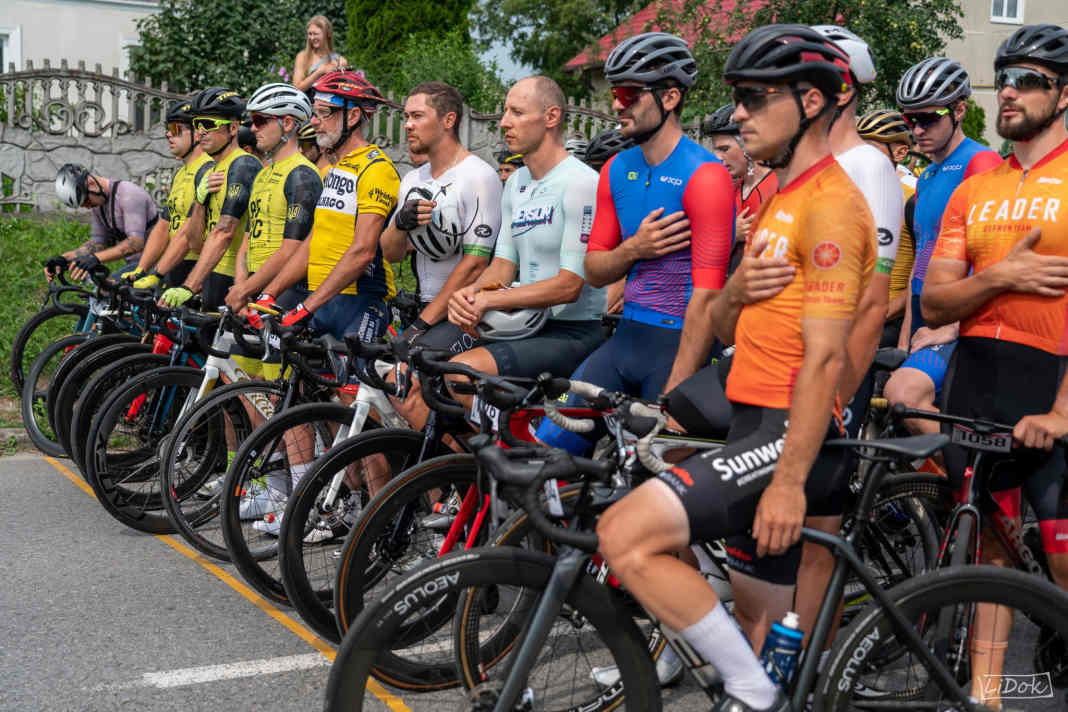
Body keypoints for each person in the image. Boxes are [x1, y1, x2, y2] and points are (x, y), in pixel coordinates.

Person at [598, 26, 875, 712]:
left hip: (791, 434)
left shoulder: (833, 204)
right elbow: (723, 320)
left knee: (623, 535)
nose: (739, 115)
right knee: (756, 629)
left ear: (811, 101)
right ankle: (760, 690)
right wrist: (737, 294)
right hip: (752, 417)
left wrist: (787, 483)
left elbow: (827, 359)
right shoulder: (780, 196)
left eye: (754, 98)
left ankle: (753, 692)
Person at [921, 24, 1068, 706]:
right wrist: (1001, 275)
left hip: (1052, 384)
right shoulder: (978, 187)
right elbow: (935, 301)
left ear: (1063, 94)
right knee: (991, 556)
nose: (1009, 88)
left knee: (1063, 557)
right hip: (978, 378)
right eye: (1005, 75)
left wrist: (1063, 410)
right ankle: (987, 697)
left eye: (1030, 78)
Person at [535, 32, 734, 463]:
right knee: (546, 453)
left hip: (679, 341)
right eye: (615, 93)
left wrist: (674, 395)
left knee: (653, 479)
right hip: (626, 338)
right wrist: (634, 250)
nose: (617, 105)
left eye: (628, 93)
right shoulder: (615, 169)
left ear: (670, 98)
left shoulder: (707, 176)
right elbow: (594, 269)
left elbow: (709, 296)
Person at [440, 75, 604, 411]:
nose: (503, 123)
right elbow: (502, 266)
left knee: (461, 374)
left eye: (516, 112)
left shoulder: (581, 182)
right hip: (525, 323)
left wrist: (491, 299)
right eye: (504, 112)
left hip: (573, 331)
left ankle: (500, 456)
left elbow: (569, 286)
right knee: (428, 366)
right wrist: (470, 294)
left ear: (550, 117)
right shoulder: (516, 184)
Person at [883, 58, 1002, 436]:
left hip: (960, 318)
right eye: (909, 120)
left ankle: (967, 484)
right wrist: (906, 332)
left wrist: (953, 327)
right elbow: (921, 258)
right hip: (922, 313)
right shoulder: (928, 175)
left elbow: (992, 255)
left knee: (904, 396)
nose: (917, 130)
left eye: (929, 118)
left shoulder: (981, 162)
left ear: (960, 110)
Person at [377, 81, 502, 428]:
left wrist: (420, 325)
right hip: (425, 306)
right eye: (405, 117)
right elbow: (391, 254)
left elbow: (475, 264)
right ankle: (441, 475)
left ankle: (458, 476)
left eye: (417, 116)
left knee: (405, 386)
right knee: (404, 393)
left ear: (448, 120)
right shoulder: (412, 179)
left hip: (464, 314)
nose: (407, 125)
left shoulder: (479, 176)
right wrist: (399, 225)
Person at [252, 70, 399, 344]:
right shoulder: (334, 169)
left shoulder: (376, 168)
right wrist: (269, 293)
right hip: (322, 299)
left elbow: (363, 252)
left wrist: (305, 307)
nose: (315, 122)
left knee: (351, 388)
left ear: (353, 117)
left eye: (324, 113)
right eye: (314, 113)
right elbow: (314, 240)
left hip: (359, 301)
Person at [153, 88, 261, 311]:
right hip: (211, 274)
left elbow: (225, 233)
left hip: (234, 279)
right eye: (197, 125)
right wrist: (199, 204)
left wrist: (189, 286)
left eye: (208, 124)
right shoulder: (209, 171)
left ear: (233, 128)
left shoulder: (244, 165)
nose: (200, 132)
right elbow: (196, 244)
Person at [225, 83, 321, 324]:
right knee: (237, 360)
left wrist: (245, 290)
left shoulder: (302, 175)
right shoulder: (263, 174)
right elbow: (247, 240)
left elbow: (292, 248)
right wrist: (241, 285)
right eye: (252, 121)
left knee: (267, 362)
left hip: (286, 287)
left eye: (260, 120)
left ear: (287, 124)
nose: (253, 128)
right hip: (252, 285)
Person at [121, 97, 212, 289]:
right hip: (173, 263)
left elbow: (188, 232)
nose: (169, 135)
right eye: (168, 130)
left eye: (176, 130)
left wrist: (157, 273)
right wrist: (142, 269)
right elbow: (164, 226)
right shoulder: (181, 173)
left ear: (197, 134)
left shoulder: (207, 170)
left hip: (196, 266)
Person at [856, 108, 918, 345]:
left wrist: (882, 315)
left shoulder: (912, 198)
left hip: (887, 324)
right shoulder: (848, 194)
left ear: (901, 152)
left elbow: (920, 274)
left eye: (871, 149)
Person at [47, 164, 157, 283]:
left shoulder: (129, 195)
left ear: (91, 183)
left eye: (86, 201)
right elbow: (99, 243)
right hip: (137, 266)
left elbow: (135, 243)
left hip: (160, 265)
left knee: (105, 294)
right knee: (100, 294)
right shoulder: (99, 203)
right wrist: (65, 259)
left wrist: (96, 259)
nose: (88, 207)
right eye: (82, 205)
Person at [703, 103, 778, 264]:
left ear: (748, 146)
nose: (717, 157)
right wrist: (733, 235)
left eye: (724, 149)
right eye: (715, 150)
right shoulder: (732, 189)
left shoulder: (777, 186)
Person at [292, 15, 348, 92]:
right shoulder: (303, 57)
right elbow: (297, 88)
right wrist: (319, 72)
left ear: (328, 34)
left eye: (315, 34)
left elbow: (343, 91)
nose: (312, 38)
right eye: (310, 34)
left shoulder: (340, 61)